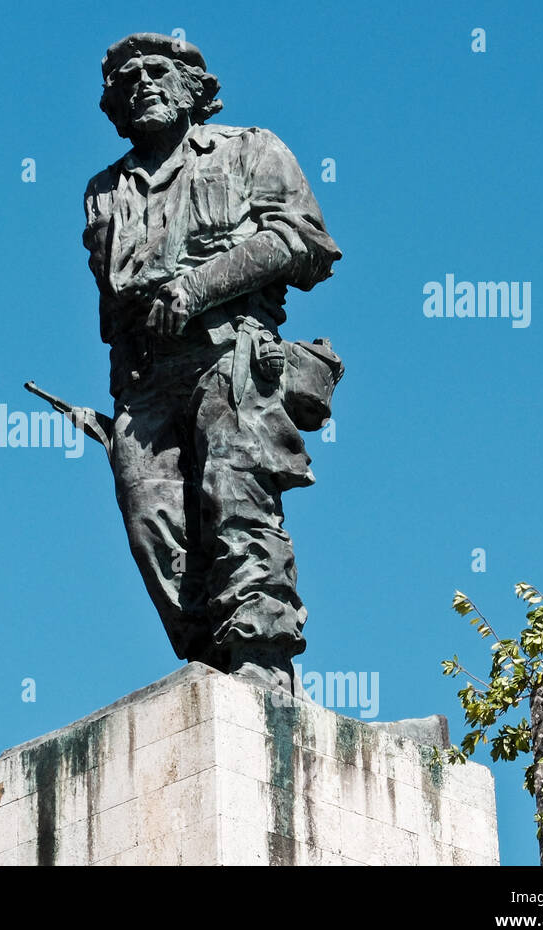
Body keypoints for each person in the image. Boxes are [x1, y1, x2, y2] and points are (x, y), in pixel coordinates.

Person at [82, 33, 344, 688]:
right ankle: (211, 661)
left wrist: (196, 287)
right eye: (126, 78)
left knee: (235, 493)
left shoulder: (250, 149)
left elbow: (304, 241)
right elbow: (112, 305)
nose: (141, 82)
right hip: (145, 382)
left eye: (156, 69)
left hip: (229, 354)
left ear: (191, 85)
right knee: (152, 522)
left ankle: (261, 657)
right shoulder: (104, 193)